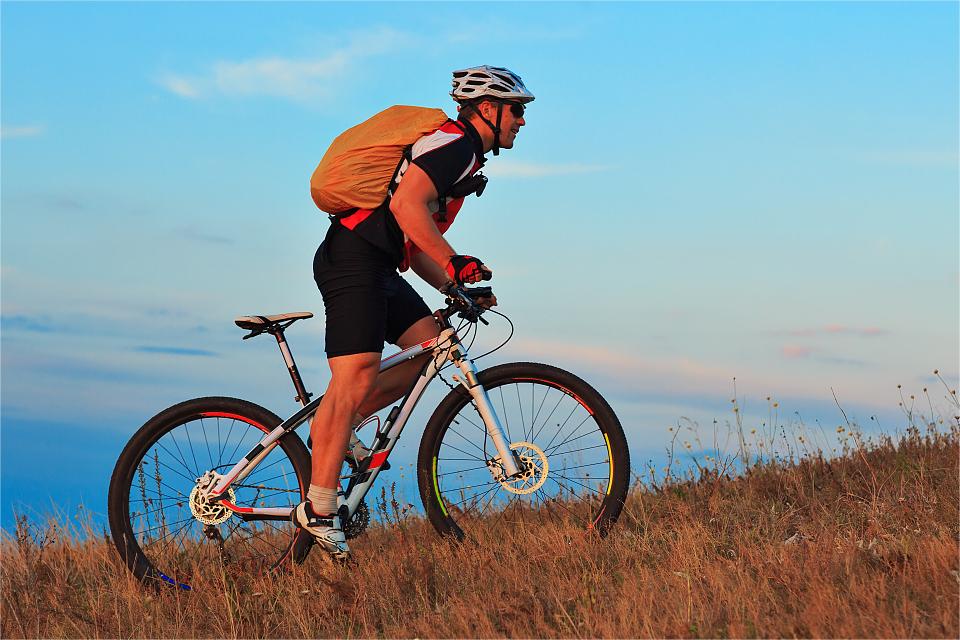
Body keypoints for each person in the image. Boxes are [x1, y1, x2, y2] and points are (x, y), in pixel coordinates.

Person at [293, 65, 535, 558]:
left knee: (428, 350)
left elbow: (413, 239)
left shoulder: (460, 156)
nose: (522, 121)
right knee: (356, 373)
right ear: (488, 108)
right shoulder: (456, 144)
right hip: (352, 259)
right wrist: (453, 259)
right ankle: (319, 507)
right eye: (517, 110)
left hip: (380, 265)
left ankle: (336, 433)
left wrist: (454, 283)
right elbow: (406, 206)